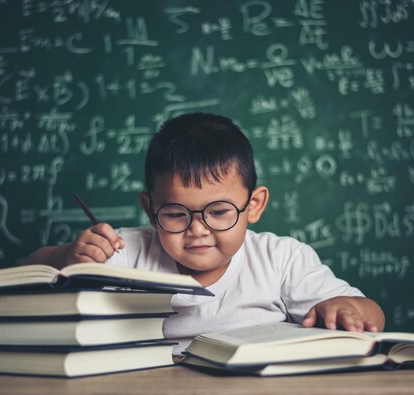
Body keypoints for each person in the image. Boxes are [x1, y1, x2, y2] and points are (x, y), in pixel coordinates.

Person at [25, 112, 385, 353]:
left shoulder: (282, 259)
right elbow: (28, 273)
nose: (198, 230)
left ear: (254, 206)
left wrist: (348, 308)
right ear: (150, 210)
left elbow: (373, 314)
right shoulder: (122, 251)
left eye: (218, 212)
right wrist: (65, 258)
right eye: (176, 213)